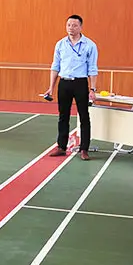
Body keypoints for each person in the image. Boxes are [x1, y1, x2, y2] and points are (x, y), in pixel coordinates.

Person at [43, 14, 98, 160]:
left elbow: (92, 68)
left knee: (84, 116)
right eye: (68, 25)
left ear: (80, 27)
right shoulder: (60, 44)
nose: (71, 28)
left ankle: (84, 148)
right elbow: (55, 66)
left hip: (80, 83)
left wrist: (92, 89)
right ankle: (61, 146)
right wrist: (51, 87)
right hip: (64, 83)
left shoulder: (90, 45)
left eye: (74, 25)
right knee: (63, 116)